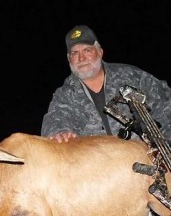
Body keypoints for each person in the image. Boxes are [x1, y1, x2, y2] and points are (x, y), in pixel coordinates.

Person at [41, 25, 171, 143]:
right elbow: (55, 118)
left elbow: (166, 104)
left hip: (143, 160)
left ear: (100, 52)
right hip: (97, 165)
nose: (81, 58)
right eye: (75, 53)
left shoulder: (132, 77)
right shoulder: (65, 94)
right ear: (69, 59)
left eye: (87, 50)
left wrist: (164, 143)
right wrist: (59, 132)